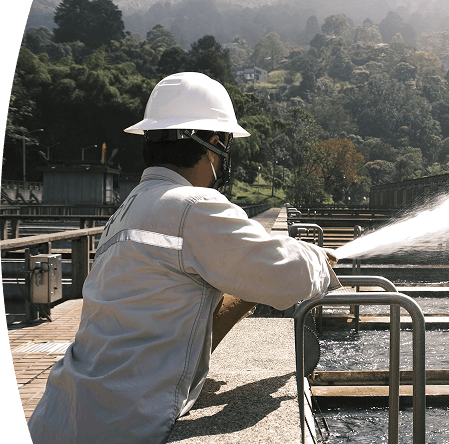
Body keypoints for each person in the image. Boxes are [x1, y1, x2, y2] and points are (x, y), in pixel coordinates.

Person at [27, 72, 339, 444]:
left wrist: (250, 288)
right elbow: (290, 277)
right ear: (213, 144)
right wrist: (318, 258)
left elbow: (174, 316)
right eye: (225, 144)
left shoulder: (129, 209)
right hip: (121, 425)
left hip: (63, 416)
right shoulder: (192, 206)